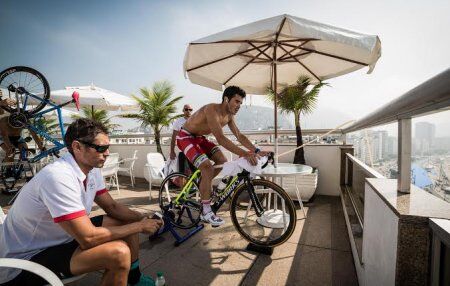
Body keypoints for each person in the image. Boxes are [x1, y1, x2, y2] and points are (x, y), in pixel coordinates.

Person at [0, 118, 163, 286]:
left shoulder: (91, 169)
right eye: (101, 148)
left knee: (126, 219)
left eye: (108, 147)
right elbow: (88, 238)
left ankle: (134, 278)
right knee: (118, 253)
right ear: (77, 147)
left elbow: (112, 206)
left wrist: (142, 217)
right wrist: (140, 226)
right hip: (26, 259)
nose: (107, 153)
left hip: (61, 238)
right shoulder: (58, 177)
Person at [176, 86, 268, 226]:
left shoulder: (230, 115)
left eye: (240, 103)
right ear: (226, 99)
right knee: (207, 168)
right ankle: (206, 212)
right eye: (236, 101)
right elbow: (220, 139)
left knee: (222, 161)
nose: (239, 106)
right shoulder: (211, 110)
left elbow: (240, 136)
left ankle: (202, 184)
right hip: (186, 137)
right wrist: (244, 153)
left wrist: (256, 151)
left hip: (199, 138)